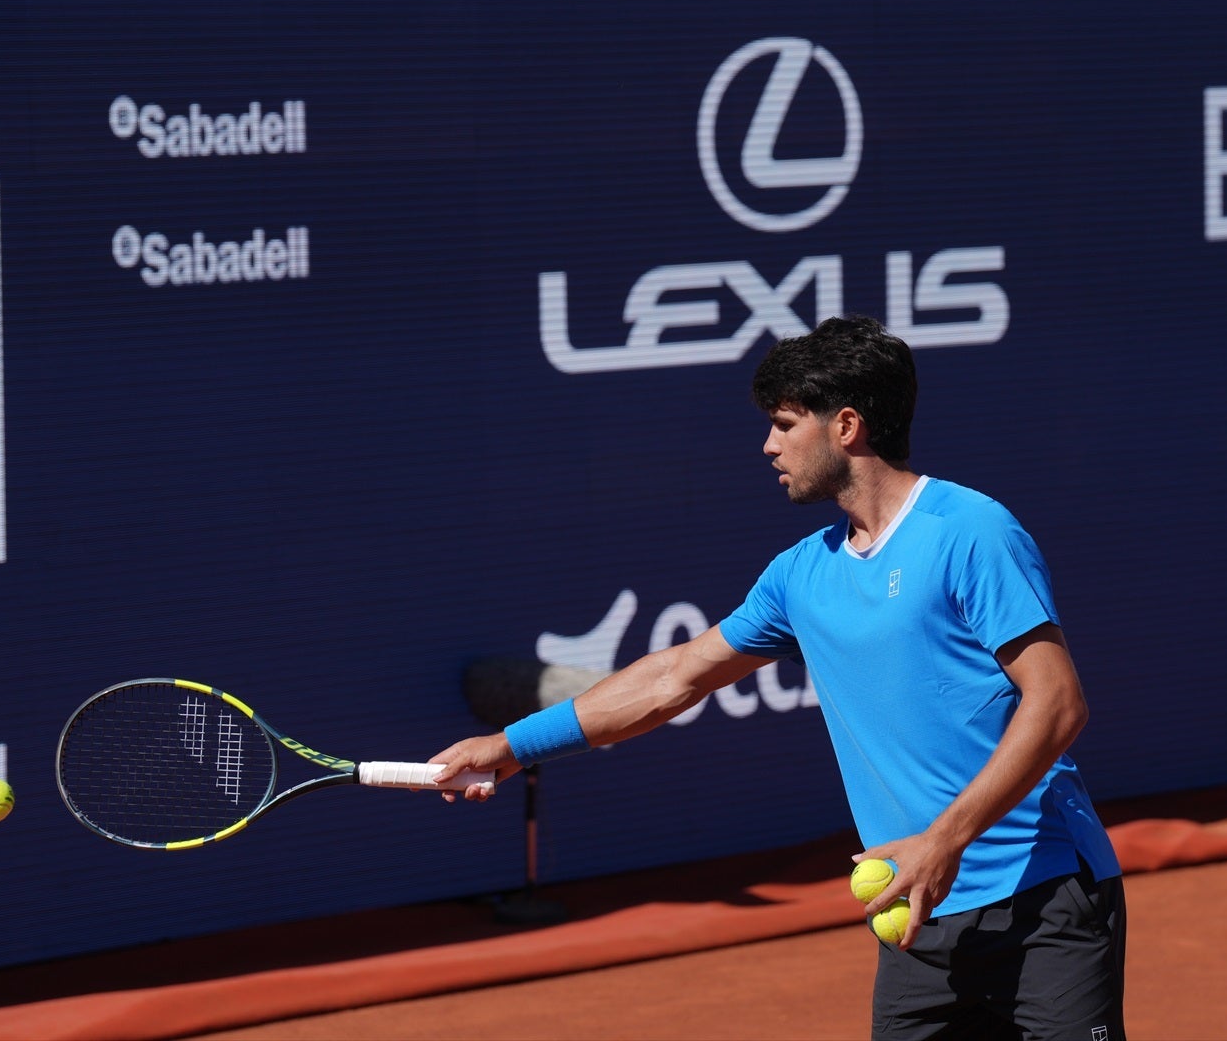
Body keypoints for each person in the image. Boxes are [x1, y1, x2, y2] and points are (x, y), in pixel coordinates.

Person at [431, 315, 1126, 1040]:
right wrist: (512, 746)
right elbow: (674, 677)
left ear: (846, 426)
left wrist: (944, 840)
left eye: (785, 424)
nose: (768, 446)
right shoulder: (801, 575)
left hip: (1042, 897)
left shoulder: (971, 531)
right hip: (917, 918)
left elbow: (1058, 703)